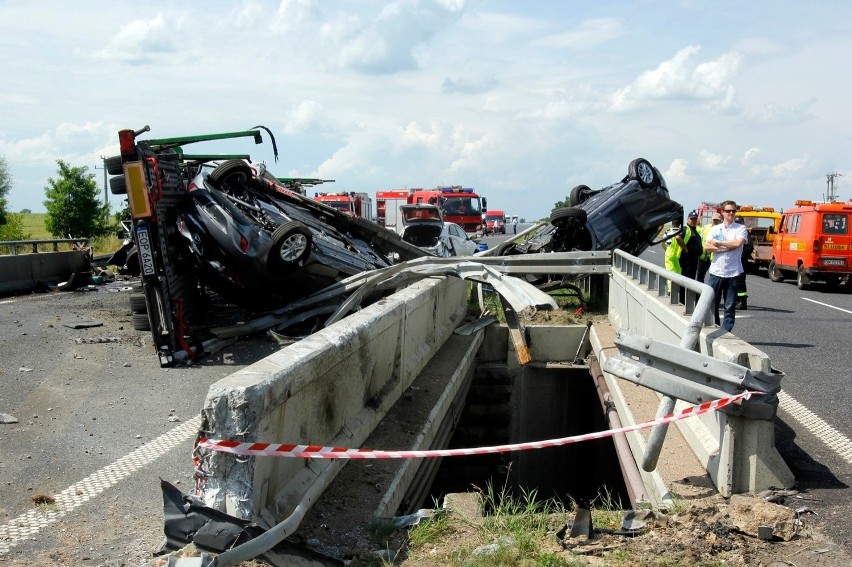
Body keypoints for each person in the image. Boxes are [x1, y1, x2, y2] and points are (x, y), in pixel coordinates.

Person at [704, 201, 748, 332]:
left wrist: (718, 243)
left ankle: (726, 331)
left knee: (729, 305)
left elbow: (737, 244)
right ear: (722, 212)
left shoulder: (740, 228)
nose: (731, 213)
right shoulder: (715, 229)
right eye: (728, 211)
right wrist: (723, 248)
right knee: (712, 303)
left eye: (733, 211)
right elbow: (707, 247)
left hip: (733, 272)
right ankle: (715, 327)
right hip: (717, 271)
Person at [696, 212, 722, 283]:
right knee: (700, 277)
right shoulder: (705, 227)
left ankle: (711, 292)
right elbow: (698, 234)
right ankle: (699, 293)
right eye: (714, 220)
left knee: (713, 278)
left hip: (714, 258)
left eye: (717, 220)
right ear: (711, 220)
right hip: (703, 256)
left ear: (720, 220)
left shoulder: (722, 230)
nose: (715, 222)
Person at [662, 217, 685, 295]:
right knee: (678, 272)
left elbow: (662, 244)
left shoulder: (667, 231)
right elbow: (682, 243)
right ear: (679, 224)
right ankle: (677, 289)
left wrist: (666, 250)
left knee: (670, 272)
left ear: (672, 223)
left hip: (669, 255)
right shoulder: (680, 232)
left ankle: (670, 291)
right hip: (677, 255)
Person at [735, 215, 753, 310]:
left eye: (739, 222)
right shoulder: (735, 231)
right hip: (735, 260)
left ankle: (742, 302)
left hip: (741, 261)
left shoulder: (744, 232)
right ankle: (737, 300)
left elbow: (750, 246)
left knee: (740, 282)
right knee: (734, 281)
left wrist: (742, 256)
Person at [680, 210, 703, 280]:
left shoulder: (694, 230)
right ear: (688, 219)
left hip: (694, 261)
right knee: (685, 281)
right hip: (686, 262)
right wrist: (685, 249)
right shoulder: (685, 228)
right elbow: (678, 237)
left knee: (691, 280)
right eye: (692, 219)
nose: (693, 221)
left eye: (695, 219)